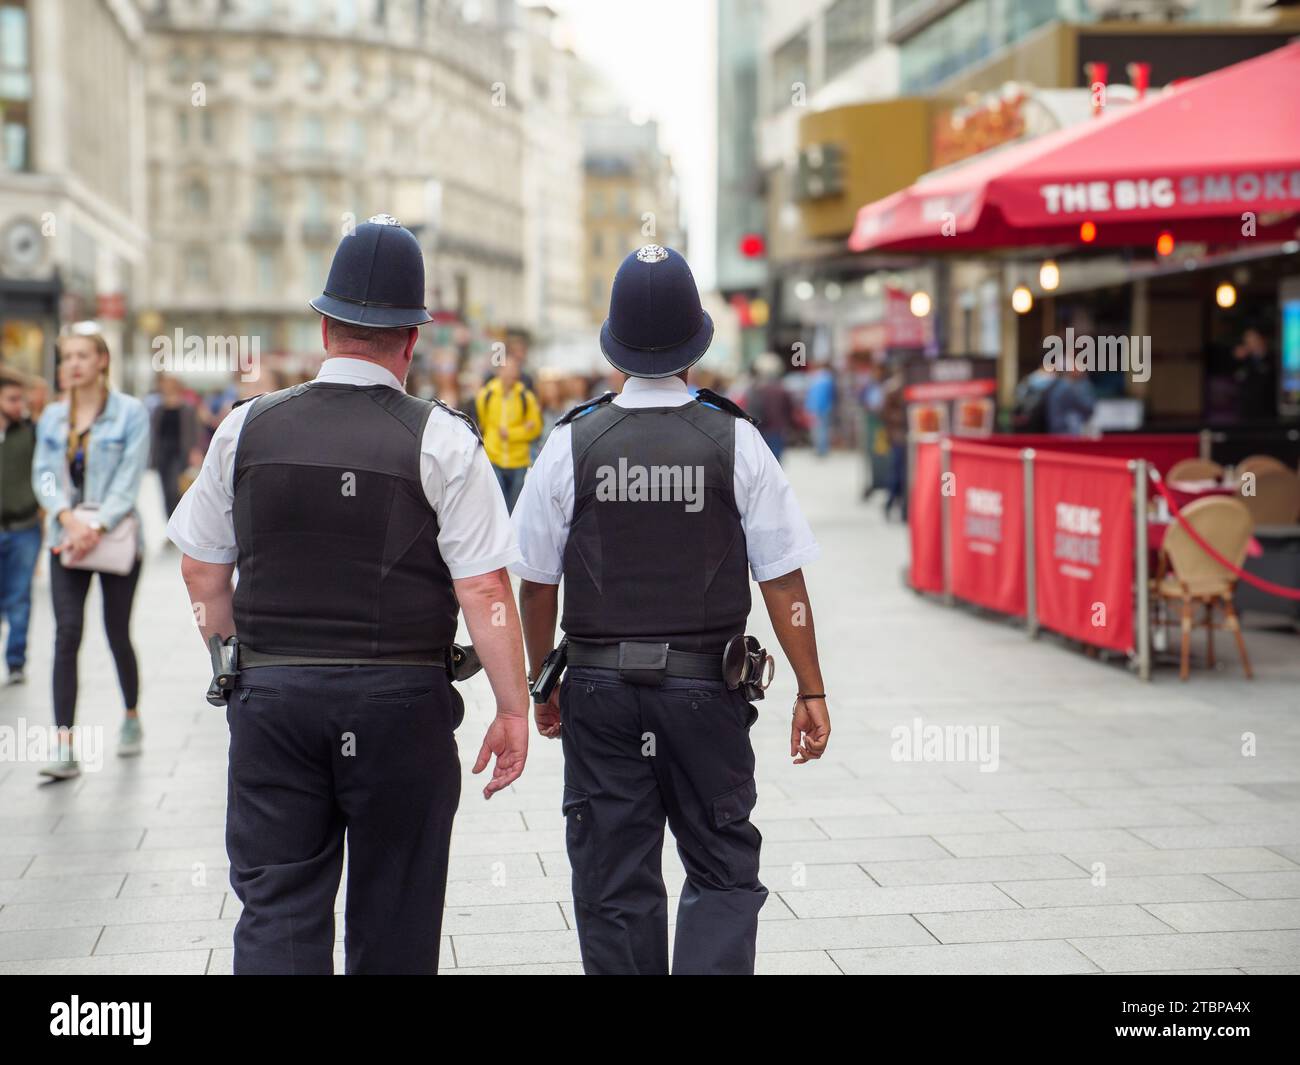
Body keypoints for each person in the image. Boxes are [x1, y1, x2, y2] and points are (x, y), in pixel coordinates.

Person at [167, 215, 530, 975]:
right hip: (400, 702)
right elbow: (485, 587)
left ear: (325, 325)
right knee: (396, 913)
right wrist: (512, 704)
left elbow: (202, 569)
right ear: (412, 338)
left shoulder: (245, 428)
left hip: (273, 698)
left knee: (279, 907)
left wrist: (231, 660)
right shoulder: (443, 439)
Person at [511, 244, 831, 976]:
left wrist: (541, 679)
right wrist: (811, 688)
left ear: (612, 345)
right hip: (704, 691)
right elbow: (783, 581)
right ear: (699, 341)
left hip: (597, 690)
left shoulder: (570, 443)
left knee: (613, 881)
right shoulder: (736, 439)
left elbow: (533, 581)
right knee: (721, 868)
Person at [31, 330, 150, 778]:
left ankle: (132, 716)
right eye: (67, 358)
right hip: (67, 537)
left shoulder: (130, 413)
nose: (74, 364)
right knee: (66, 634)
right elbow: (44, 475)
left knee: (117, 632)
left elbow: (128, 477)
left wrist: (95, 525)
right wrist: (67, 518)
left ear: (102, 360)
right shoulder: (52, 418)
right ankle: (64, 745)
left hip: (115, 538)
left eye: (83, 356)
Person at [0, 369, 43, 685]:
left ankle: (16, 661)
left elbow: (49, 474)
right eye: (12, 399)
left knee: (19, 597)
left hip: (24, 527)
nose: (20, 405)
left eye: (21, 399)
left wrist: (45, 503)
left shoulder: (32, 432)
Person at [475, 354, 541, 512]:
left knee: (515, 508)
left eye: (515, 370)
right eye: (508, 369)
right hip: (493, 457)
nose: (512, 374)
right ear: (499, 371)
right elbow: (483, 423)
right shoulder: (486, 395)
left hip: (519, 461)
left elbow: (535, 429)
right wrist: (524, 428)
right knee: (497, 507)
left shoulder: (526, 397)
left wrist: (512, 433)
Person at [150, 374, 201, 520]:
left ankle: (180, 521)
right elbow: (155, 433)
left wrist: (195, 451)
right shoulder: (159, 409)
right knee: (165, 491)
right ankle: (170, 524)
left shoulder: (187, 408)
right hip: (162, 453)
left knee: (176, 489)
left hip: (180, 453)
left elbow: (195, 431)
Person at [746, 352, 798, 463]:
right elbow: (789, 410)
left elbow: (752, 411)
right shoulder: (782, 390)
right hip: (777, 429)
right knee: (776, 461)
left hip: (763, 429)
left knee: (763, 460)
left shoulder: (756, 390)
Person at [1233, 325, 1277, 423]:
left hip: (1267, 412)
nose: (1249, 344)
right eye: (1247, 341)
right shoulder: (1244, 361)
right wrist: (1237, 360)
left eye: (1253, 339)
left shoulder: (1273, 359)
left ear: (1261, 339)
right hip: (1246, 412)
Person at [804, 360, 835, 457]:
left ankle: (818, 448)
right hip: (825, 407)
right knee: (823, 428)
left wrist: (808, 406)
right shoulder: (828, 378)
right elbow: (831, 395)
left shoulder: (814, 378)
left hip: (813, 407)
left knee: (816, 428)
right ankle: (822, 449)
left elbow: (809, 394)